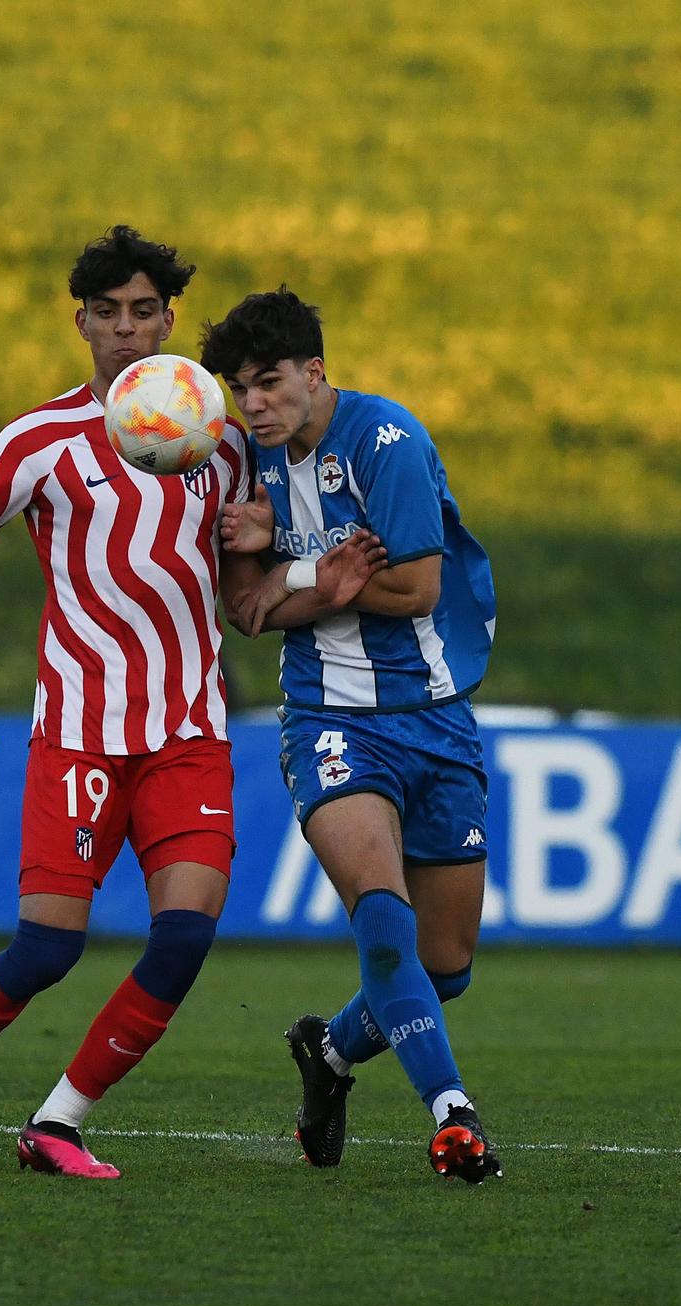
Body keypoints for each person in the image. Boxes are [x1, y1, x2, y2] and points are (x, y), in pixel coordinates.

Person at [0, 226, 381, 1179]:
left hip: (186, 732)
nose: (127, 332)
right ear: (81, 323)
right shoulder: (39, 440)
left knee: (183, 937)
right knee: (45, 950)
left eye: (145, 313)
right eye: (108, 314)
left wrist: (314, 578)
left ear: (170, 320)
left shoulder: (223, 440)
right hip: (80, 740)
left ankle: (58, 1120)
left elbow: (246, 606)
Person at [204, 286, 502, 1182]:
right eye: (240, 389)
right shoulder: (251, 468)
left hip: (436, 717)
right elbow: (250, 611)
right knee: (383, 923)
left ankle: (328, 1054)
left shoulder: (388, 444)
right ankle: (452, 1116)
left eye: (269, 383)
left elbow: (413, 590)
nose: (253, 404)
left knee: (444, 968)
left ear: (315, 372)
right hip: (331, 719)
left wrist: (308, 569)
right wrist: (307, 575)